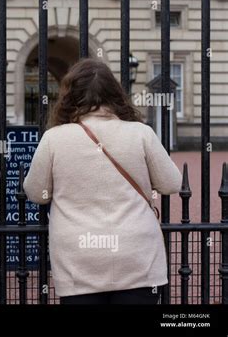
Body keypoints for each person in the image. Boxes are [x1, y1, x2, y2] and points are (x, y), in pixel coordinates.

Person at [23, 58, 182, 304]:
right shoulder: (141, 134)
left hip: (78, 259)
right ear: (115, 94)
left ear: (69, 96)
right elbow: (172, 183)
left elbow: (35, 192)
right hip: (136, 257)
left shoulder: (54, 139)